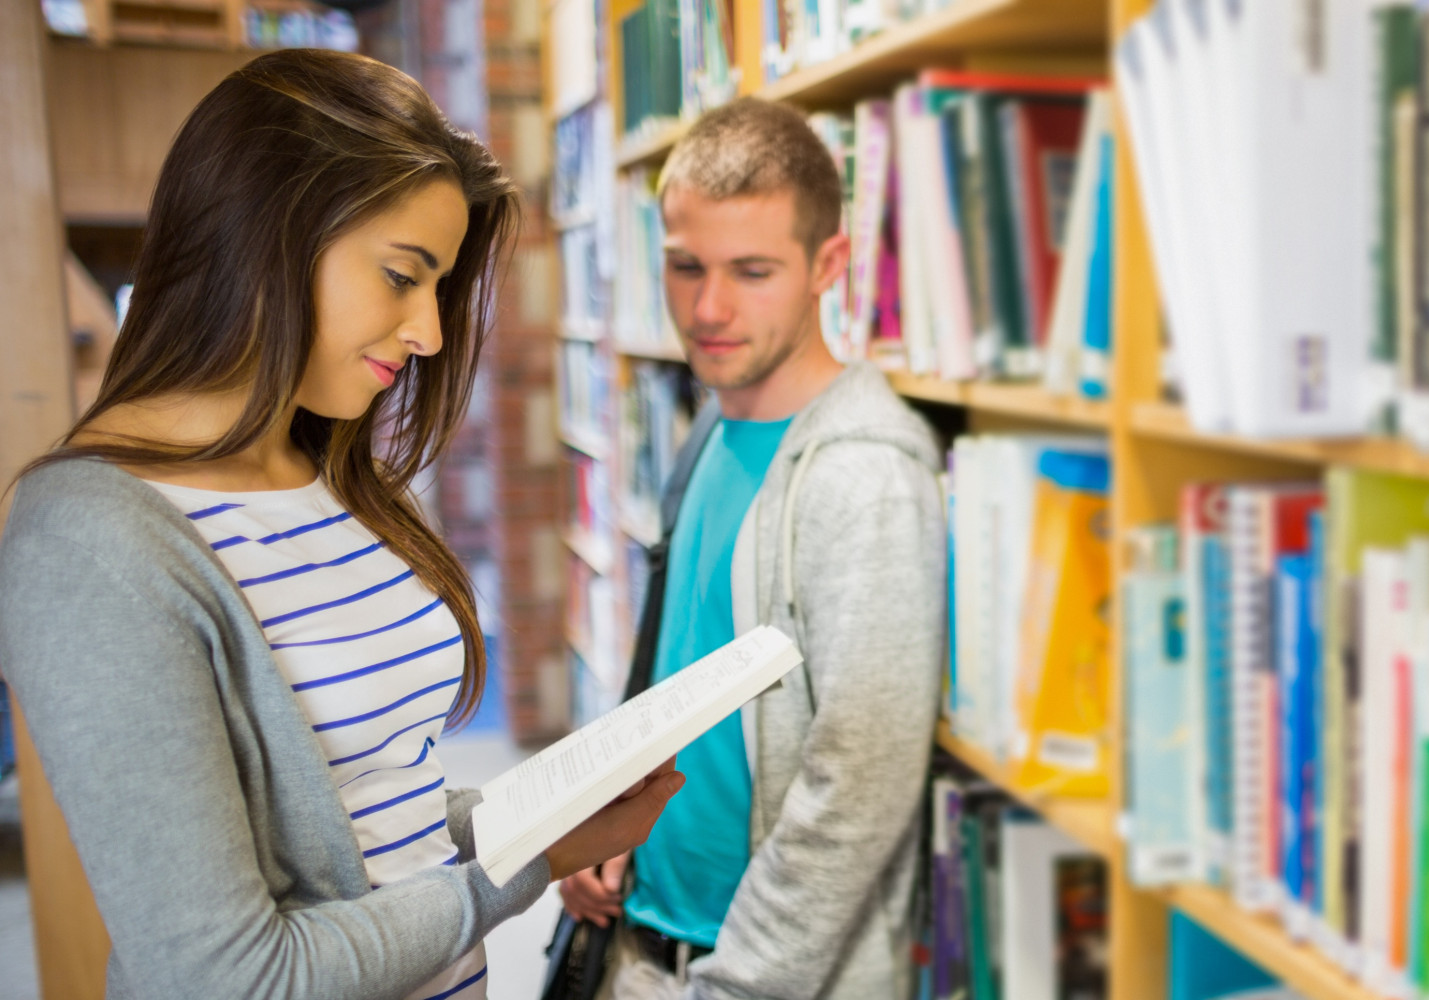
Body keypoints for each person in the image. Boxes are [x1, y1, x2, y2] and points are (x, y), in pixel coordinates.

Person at [0, 49, 682, 1000]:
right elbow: (229, 975)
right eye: (403, 276)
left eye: (439, 289)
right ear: (265, 232)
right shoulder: (91, 545)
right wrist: (527, 863)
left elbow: (371, 818)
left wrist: (540, 812)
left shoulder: (336, 475)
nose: (430, 335)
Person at [555, 98, 948, 1000]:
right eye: (686, 267)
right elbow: (676, 677)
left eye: (753, 271)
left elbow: (858, 787)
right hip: (648, 938)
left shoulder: (863, 478)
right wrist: (604, 820)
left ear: (829, 266)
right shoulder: (704, 433)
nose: (711, 307)